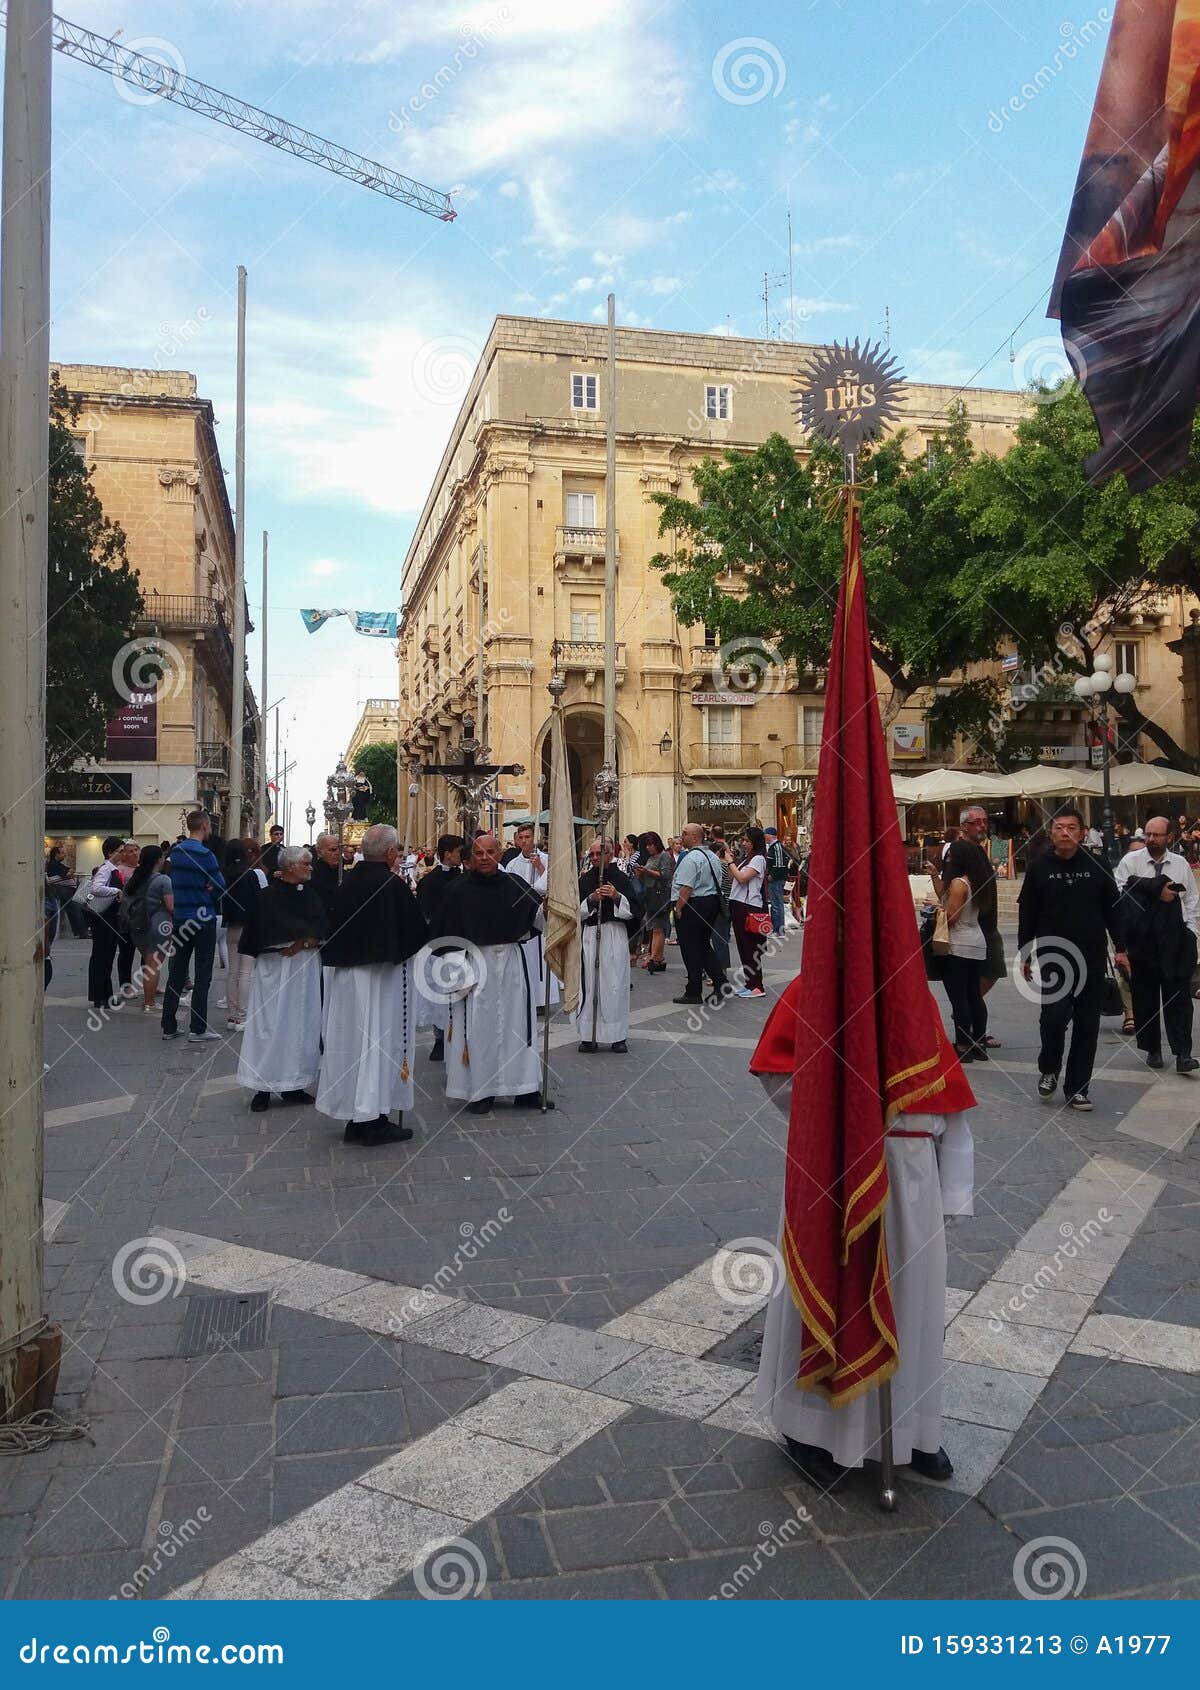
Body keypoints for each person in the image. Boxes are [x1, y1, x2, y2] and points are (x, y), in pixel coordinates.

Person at [318, 824, 428, 1147]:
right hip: (380, 979)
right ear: (391, 854)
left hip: (348, 980)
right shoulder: (391, 885)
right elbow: (414, 931)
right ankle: (373, 1120)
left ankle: (357, 1116)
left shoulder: (348, 881)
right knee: (377, 1043)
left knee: (353, 1044)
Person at [432, 832, 548, 1114]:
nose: (486, 858)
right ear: (471, 857)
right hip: (475, 963)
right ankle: (481, 1090)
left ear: (499, 854)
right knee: (478, 1028)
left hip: (510, 961)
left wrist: (551, 905)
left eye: (491, 852)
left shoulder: (514, 884)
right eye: (480, 853)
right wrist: (458, 972)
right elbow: (447, 935)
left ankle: (524, 1088)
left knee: (518, 1025)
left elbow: (535, 919)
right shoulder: (457, 890)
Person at [1018, 808, 1122, 1111]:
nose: (1065, 832)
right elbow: (1028, 913)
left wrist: (1122, 948)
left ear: (1082, 832)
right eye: (1059, 827)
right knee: (1053, 1018)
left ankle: (1077, 1088)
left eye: (1071, 828)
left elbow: (1113, 910)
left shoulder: (1097, 865)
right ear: (1051, 833)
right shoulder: (1039, 868)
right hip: (1054, 956)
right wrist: (1025, 952)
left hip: (1091, 956)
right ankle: (1049, 1068)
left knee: (1087, 1024)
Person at [237, 845, 326, 1111]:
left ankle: (295, 1083)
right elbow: (259, 930)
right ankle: (262, 1086)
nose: (311, 868)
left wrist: (306, 941)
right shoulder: (267, 897)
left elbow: (322, 923)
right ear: (290, 867)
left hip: (305, 966)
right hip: (276, 967)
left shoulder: (311, 894)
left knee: (302, 1024)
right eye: (306, 864)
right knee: (270, 1026)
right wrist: (289, 942)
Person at [1114, 816, 1200, 1074]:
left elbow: (1192, 900)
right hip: (1142, 940)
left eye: (1157, 835)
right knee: (1145, 998)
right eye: (1148, 834)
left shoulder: (1181, 863)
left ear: (1169, 837)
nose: (1151, 839)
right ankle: (1152, 1048)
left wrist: (1191, 932)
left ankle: (1183, 1053)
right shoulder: (1131, 862)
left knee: (1180, 999)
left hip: (1175, 939)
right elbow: (1120, 894)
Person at [162, 809, 226, 1043]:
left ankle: (168, 1025)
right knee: (203, 975)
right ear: (205, 826)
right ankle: (197, 1028)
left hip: (181, 918)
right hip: (203, 918)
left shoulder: (175, 852)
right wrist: (208, 887)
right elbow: (221, 885)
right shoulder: (205, 854)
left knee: (176, 973)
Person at [944, 806, 1003, 1048]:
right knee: (972, 992)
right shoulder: (964, 850)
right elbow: (952, 891)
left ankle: (967, 1036)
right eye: (976, 822)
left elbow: (951, 901)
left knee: (969, 992)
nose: (982, 826)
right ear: (964, 826)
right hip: (975, 930)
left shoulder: (973, 850)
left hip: (975, 933)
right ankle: (972, 1035)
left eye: (984, 821)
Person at [577, 839, 641, 1053]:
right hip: (590, 935)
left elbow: (634, 910)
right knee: (590, 983)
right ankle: (589, 1035)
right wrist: (592, 899)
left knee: (614, 983)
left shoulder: (620, 878)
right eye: (592, 854)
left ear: (610, 853)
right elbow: (576, 912)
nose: (595, 857)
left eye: (599, 853)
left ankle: (617, 1036)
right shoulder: (585, 879)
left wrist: (616, 896)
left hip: (613, 934)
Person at [414, 833, 465, 1061]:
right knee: (439, 995)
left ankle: (460, 1035)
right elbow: (424, 915)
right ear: (447, 854)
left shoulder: (466, 879)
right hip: (438, 945)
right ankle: (440, 1038)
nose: (461, 856)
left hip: (461, 943)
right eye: (458, 852)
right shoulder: (429, 882)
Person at [502, 820, 560, 1010]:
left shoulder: (547, 859)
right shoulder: (512, 864)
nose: (525, 841)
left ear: (535, 838)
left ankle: (541, 1000)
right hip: (521, 916)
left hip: (541, 914)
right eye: (522, 838)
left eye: (528, 837)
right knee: (526, 958)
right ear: (517, 840)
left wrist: (540, 868)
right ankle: (525, 997)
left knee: (541, 960)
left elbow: (553, 883)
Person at [939, 843, 989, 1062]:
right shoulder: (979, 882)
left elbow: (952, 918)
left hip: (958, 944)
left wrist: (939, 908)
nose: (949, 859)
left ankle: (963, 1044)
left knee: (959, 998)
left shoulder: (960, 884)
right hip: (977, 942)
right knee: (974, 996)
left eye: (951, 856)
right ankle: (979, 1042)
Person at [670, 823, 728, 1004]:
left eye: (685, 834)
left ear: (695, 837)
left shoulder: (691, 858)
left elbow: (687, 887)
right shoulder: (712, 855)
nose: (682, 837)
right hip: (710, 904)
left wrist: (678, 908)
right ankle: (720, 983)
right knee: (703, 946)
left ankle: (694, 991)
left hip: (693, 906)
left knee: (690, 949)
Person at [119, 844, 174, 1013]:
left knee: (148, 965)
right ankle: (149, 1002)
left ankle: (148, 1000)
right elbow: (171, 906)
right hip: (159, 926)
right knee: (153, 966)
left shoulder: (136, 877)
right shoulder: (163, 880)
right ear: (159, 860)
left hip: (137, 925)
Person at [221, 839, 266, 1031]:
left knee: (232, 972)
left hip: (231, 926)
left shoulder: (224, 876)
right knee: (246, 973)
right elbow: (261, 901)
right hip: (249, 926)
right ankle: (242, 1015)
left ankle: (231, 1016)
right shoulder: (252, 876)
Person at [85, 836, 129, 1009]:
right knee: (101, 957)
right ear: (110, 852)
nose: (123, 854)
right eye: (120, 851)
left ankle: (105, 994)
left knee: (107, 956)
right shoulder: (106, 869)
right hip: (103, 919)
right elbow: (96, 887)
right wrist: (116, 890)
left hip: (110, 918)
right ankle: (99, 996)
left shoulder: (113, 869)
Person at [728, 826, 770, 999]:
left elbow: (743, 878)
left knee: (751, 947)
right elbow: (733, 878)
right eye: (743, 840)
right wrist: (732, 862)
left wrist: (730, 862)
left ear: (755, 842)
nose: (744, 843)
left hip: (749, 906)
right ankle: (749, 983)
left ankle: (757, 985)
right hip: (738, 903)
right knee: (743, 947)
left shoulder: (759, 859)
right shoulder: (747, 858)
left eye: (747, 841)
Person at [633, 831, 674, 973]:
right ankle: (658, 957)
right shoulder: (651, 857)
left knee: (658, 927)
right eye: (647, 846)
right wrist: (640, 873)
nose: (649, 848)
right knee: (652, 926)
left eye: (651, 845)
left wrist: (647, 871)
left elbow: (666, 875)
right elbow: (647, 879)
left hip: (660, 894)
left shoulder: (664, 856)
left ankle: (655, 958)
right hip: (651, 893)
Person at [309, 832, 342, 925]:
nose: (337, 853)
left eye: (339, 849)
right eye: (333, 850)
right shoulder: (312, 873)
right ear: (319, 852)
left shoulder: (343, 872)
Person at [764, 826, 790, 936]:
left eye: (765, 834)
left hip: (776, 880)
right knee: (776, 904)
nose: (764, 836)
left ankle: (778, 929)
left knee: (777, 904)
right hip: (776, 879)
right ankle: (777, 929)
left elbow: (779, 864)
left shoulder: (776, 847)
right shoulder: (773, 847)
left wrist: (772, 875)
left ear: (770, 835)